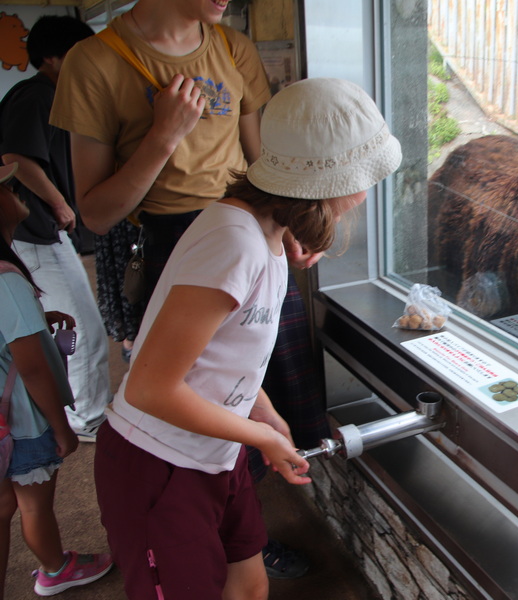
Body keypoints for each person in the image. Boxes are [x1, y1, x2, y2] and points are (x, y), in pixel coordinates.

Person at [50, 1, 331, 576]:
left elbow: (262, 164)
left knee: (261, 388)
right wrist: (163, 135)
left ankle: (238, 532)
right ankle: (193, 535)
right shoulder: (95, 62)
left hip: (255, 223)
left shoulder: (232, 49)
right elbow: (96, 213)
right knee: (187, 392)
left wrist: (296, 221)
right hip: (174, 240)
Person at [92, 78, 401, 600]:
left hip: (215, 448)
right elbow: (150, 388)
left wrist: (263, 415)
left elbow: (222, 353)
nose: (366, 193)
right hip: (157, 461)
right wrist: (260, 437)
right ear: (323, 183)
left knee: (250, 584)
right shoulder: (235, 244)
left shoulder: (265, 232)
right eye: (362, 177)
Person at [0, 162, 114, 598]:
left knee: (6, 503)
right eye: (8, 187)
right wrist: (63, 427)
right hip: (24, 425)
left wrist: (37, 318)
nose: (16, 191)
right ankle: (54, 569)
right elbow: (32, 367)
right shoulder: (8, 281)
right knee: (32, 504)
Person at [0, 15, 110, 441]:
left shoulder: (48, 95)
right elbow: (18, 157)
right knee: (83, 329)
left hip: (42, 233)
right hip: (38, 234)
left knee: (70, 323)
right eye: (79, 54)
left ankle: (81, 412)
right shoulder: (38, 95)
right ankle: (89, 419)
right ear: (52, 57)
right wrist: (60, 204)